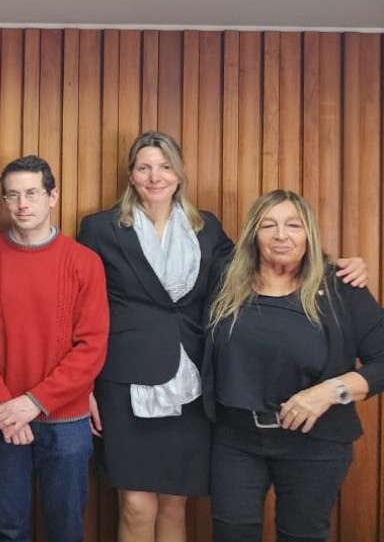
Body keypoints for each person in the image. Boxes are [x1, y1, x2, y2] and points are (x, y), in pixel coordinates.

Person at [78, 132, 366, 542]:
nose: (155, 176)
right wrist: (84, 385)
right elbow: (83, 307)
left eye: (165, 166)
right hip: (125, 381)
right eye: (144, 167)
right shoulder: (100, 228)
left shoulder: (206, 227)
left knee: (175, 505)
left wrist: (336, 263)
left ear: (179, 174)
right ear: (131, 175)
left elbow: (261, 256)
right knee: (137, 505)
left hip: (192, 380)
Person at [204, 190, 384, 542]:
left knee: (302, 535)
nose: (281, 235)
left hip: (315, 442)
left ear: (309, 234)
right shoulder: (225, 281)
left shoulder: (340, 287)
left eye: (293, 225)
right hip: (235, 438)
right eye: (268, 225)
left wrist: (330, 392)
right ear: (253, 235)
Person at [0, 155, 108, 542]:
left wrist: (34, 401)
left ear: (53, 196)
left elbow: (92, 346)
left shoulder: (84, 262)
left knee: (66, 529)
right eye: (13, 195)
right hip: (1, 418)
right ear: (3, 201)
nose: (22, 204)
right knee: (6, 528)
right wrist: (2, 401)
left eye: (32, 193)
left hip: (66, 421)